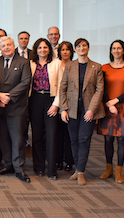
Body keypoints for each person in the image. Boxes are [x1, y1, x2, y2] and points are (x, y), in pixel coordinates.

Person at [60, 38, 105, 186]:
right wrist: (63, 109)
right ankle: (77, 169)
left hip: (88, 110)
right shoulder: (70, 66)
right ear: (75, 49)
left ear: (88, 48)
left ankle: (81, 172)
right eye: (78, 46)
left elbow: (99, 90)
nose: (81, 48)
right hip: (72, 110)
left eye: (84, 46)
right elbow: (63, 88)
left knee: (84, 140)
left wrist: (92, 109)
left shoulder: (96, 67)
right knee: (73, 140)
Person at [0, 36, 32, 183]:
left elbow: (26, 82)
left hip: (17, 107)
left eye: (9, 44)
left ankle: (19, 168)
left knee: (18, 139)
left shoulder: (23, 62)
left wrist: (9, 97)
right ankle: (7, 164)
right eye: (3, 45)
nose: (6, 47)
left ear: (14, 45)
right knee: (2, 138)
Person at [97, 40, 124, 184]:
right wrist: (108, 103)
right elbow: (102, 88)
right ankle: (109, 168)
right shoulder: (104, 68)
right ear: (111, 51)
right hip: (108, 108)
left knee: (121, 139)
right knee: (108, 139)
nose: (116, 50)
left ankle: (119, 171)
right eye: (114, 48)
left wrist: (116, 101)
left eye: (119, 48)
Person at [28, 38, 61, 180]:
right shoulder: (30, 64)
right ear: (36, 50)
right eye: (40, 48)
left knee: (52, 136)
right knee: (37, 135)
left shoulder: (57, 64)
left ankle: (52, 169)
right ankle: (38, 167)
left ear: (49, 49)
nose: (43, 50)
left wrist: (56, 104)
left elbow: (62, 86)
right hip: (34, 100)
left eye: (45, 47)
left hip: (51, 100)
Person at [56, 41, 75, 171]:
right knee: (57, 135)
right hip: (57, 103)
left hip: (71, 104)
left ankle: (69, 161)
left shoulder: (75, 65)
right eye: (62, 49)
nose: (65, 52)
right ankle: (58, 161)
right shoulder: (55, 65)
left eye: (67, 49)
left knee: (70, 135)